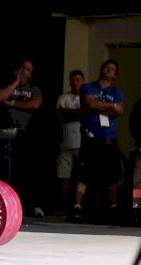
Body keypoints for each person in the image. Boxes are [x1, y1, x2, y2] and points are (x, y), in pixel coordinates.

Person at [73, 59, 124, 222]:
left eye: (113, 69)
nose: (109, 70)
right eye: (107, 67)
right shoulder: (88, 87)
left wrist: (99, 106)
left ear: (115, 75)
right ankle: (77, 206)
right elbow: (90, 103)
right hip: (90, 137)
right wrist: (110, 106)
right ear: (101, 69)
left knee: (111, 174)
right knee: (84, 173)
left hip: (108, 138)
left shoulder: (117, 92)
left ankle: (113, 206)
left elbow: (119, 110)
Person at [0, 59, 44, 217]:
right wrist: (16, 82)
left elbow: (35, 104)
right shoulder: (8, 85)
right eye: (22, 68)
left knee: (28, 171)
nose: (25, 71)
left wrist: (13, 103)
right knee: (6, 171)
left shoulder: (34, 89)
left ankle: (31, 205)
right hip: (6, 135)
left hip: (26, 135)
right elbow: (0, 97)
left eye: (28, 70)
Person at [55, 70, 85, 213]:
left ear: (83, 81)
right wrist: (77, 113)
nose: (75, 82)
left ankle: (78, 205)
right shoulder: (63, 97)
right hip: (65, 141)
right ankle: (62, 205)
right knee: (64, 176)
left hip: (82, 142)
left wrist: (69, 112)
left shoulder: (87, 97)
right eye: (72, 80)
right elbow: (59, 117)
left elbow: (84, 114)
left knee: (81, 175)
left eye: (78, 79)